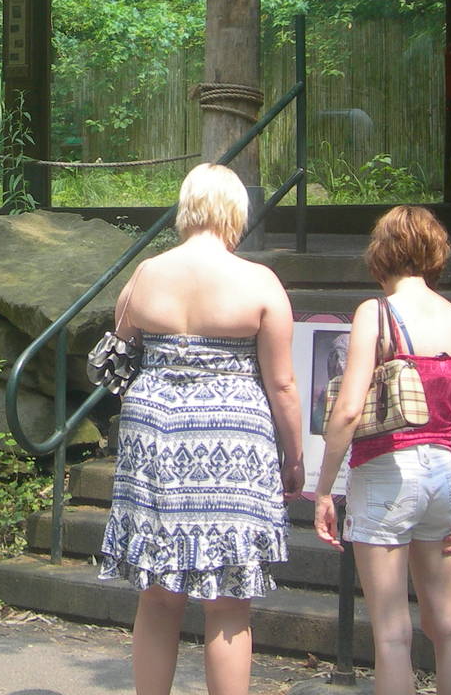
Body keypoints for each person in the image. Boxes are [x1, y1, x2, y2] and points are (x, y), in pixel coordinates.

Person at [98, 162, 304, 695]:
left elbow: (116, 356)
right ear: (236, 212)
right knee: (230, 601)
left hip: (156, 438)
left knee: (159, 594)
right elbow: (282, 384)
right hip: (233, 443)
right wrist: (295, 457)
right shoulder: (259, 282)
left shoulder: (146, 274)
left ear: (186, 209)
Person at [313, 206, 451, 695]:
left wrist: (325, 489)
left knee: (392, 634)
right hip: (444, 473)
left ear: (382, 252)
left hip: (387, 472)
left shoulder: (376, 312)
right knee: (447, 624)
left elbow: (348, 410)